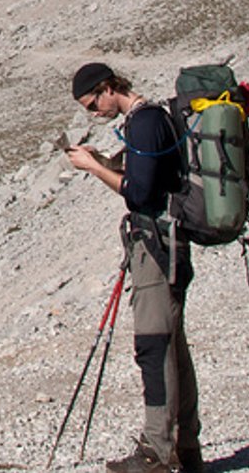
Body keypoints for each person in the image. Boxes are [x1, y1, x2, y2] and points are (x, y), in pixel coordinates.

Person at [67, 62, 203, 473]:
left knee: (154, 346)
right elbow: (147, 178)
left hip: (157, 248)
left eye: (93, 103)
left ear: (109, 88)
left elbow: (138, 192)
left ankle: (157, 454)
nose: (94, 113)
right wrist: (104, 162)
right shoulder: (151, 119)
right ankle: (186, 448)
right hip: (167, 245)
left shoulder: (143, 123)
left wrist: (94, 168)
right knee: (171, 345)